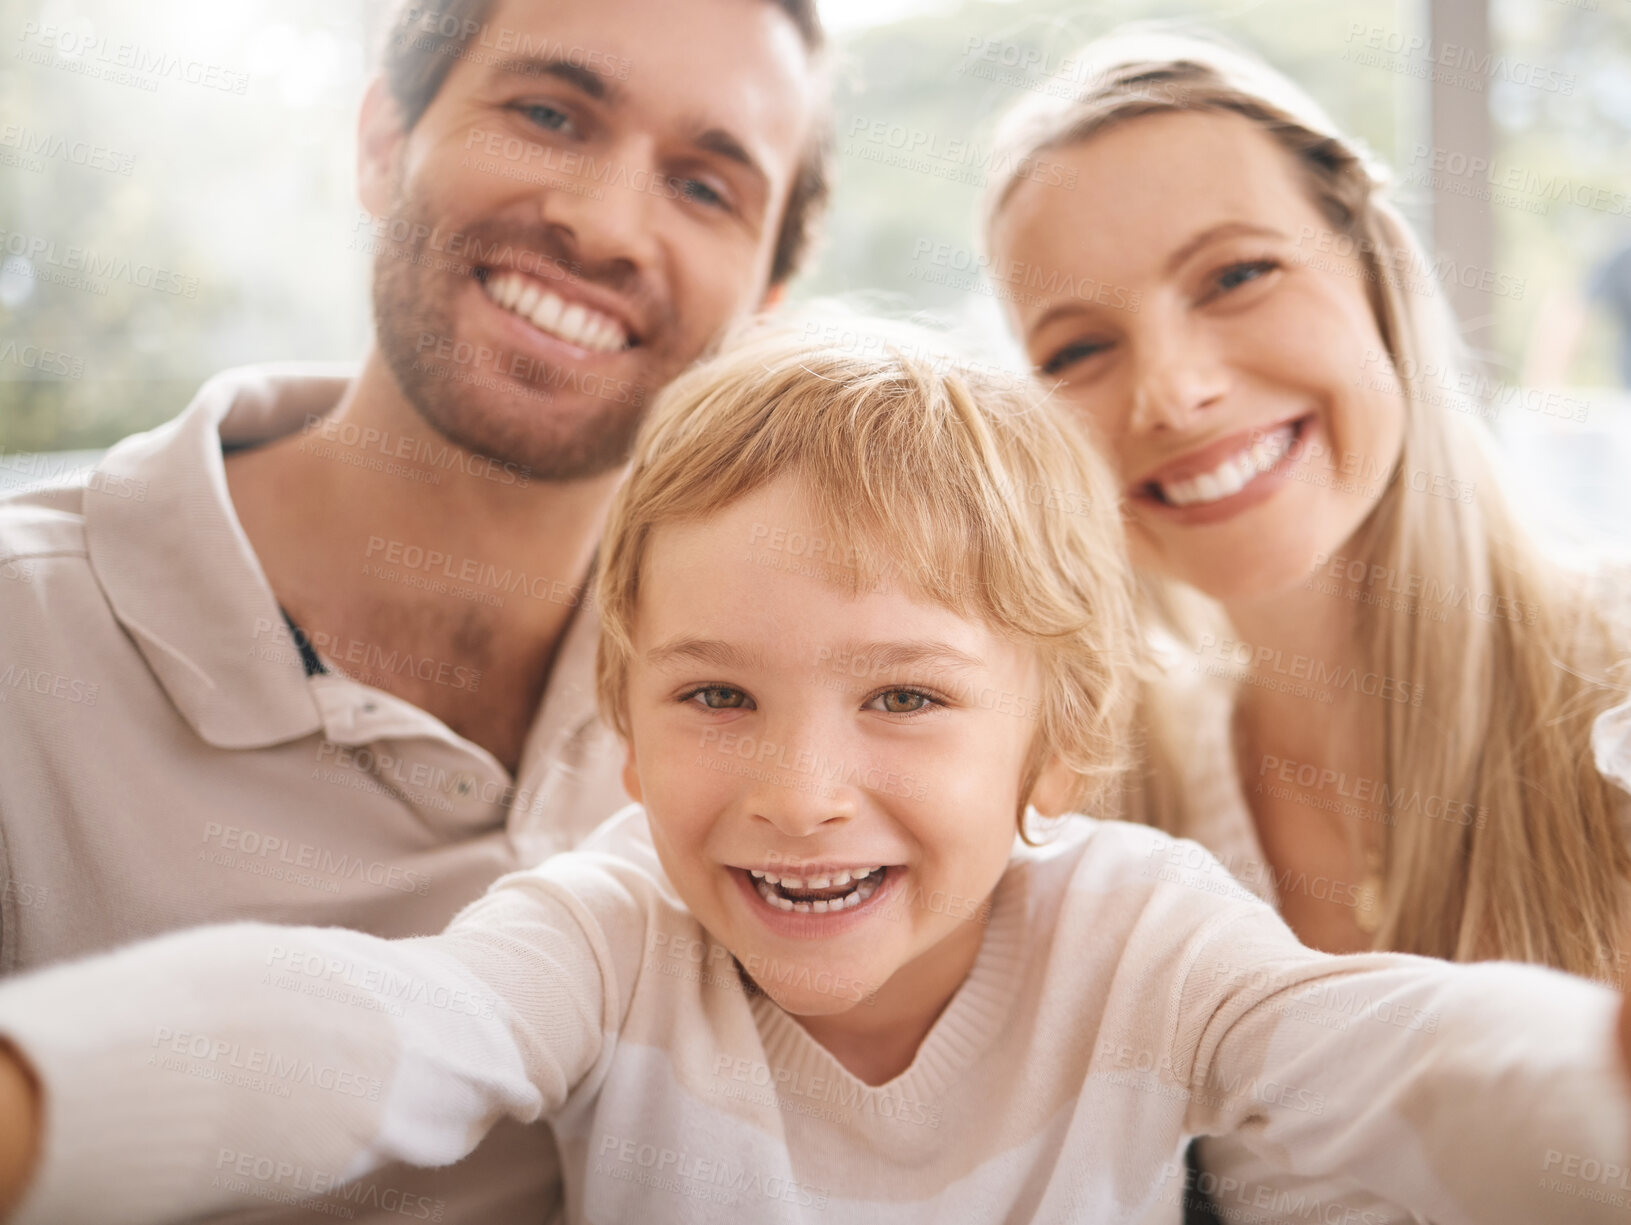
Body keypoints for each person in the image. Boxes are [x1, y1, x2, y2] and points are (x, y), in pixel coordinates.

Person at [0, 318, 1628, 1225]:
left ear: (1057, 743)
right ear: (625, 727)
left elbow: (1401, 1062)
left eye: (905, 697)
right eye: (715, 695)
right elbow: (377, 1038)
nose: (800, 791)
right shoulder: (609, 928)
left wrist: (1597, 1092)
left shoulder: (1142, 932)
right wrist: (42, 1096)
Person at [0, 0, 829, 1219]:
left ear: (767, 297)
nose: (601, 223)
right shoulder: (26, 638)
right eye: (549, 113)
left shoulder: (827, 704)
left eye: (705, 186)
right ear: (383, 137)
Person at [982, 29, 1631, 1223]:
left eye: (1235, 275)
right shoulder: (1103, 817)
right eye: (1077, 349)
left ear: (1375, 273)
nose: (1170, 390)